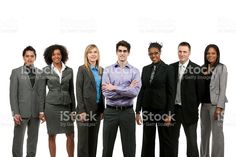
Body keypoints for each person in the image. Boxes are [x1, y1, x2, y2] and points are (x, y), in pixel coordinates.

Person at [102, 40, 141, 157]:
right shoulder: (108, 70)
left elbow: (134, 92)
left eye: (125, 51)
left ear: (128, 53)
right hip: (110, 112)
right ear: (116, 52)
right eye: (120, 51)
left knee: (129, 149)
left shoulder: (135, 71)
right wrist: (127, 89)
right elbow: (106, 93)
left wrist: (114, 88)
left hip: (128, 112)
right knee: (107, 148)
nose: (122, 53)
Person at [135, 42, 175, 157]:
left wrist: (169, 113)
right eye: (150, 54)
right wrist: (137, 111)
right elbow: (142, 90)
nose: (153, 56)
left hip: (162, 110)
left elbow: (171, 93)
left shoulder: (168, 69)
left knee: (165, 140)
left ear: (160, 53)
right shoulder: (145, 69)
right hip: (147, 109)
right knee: (147, 141)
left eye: (156, 53)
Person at [40, 44, 75, 157]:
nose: (56, 56)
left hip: (66, 106)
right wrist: (41, 111)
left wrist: (73, 109)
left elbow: (71, 91)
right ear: (50, 56)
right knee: (51, 134)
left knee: (70, 134)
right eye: (54, 54)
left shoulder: (69, 70)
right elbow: (41, 93)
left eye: (58, 54)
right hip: (51, 107)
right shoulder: (45, 70)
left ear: (62, 55)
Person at [10, 46, 43, 157]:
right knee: (18, 140)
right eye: (27, 56)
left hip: (36, 112)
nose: (29, 58)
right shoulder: (16, 72)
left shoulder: (40, 72)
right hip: (21, 112)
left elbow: (42, 93)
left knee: (33, 141)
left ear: (35, 57)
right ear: (23, 57)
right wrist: (15, 112)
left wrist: (42, 111)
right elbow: (13, 94)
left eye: (32, 56)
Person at [170, 42, 200, 157]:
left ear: (189, 53)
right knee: (172, 142)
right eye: (180, 51)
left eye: (184, 52)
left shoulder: (196, 69)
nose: (181, 54)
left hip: (190, 111)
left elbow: (199, 93)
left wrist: (191, 105)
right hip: (174, 111)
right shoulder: (171, 68)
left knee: (192, 143)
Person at [76, 44, 105, 157]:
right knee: (83, 143)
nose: (93, 54)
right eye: (90, 52)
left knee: (93, 142)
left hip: (97, 110)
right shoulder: (82, 69)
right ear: (86, 55)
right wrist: (82, 110)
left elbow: (102, 91)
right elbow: (78, 90)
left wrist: (102, 109)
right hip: (85, 110)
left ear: (98, 55)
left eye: (95, 52)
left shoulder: (101, 70)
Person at [200, 44, 228, 157]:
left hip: (216, 105)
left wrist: (219, 107)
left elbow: (223, 89)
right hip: (204, 106)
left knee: (217, 134)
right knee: (204, 134)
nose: (210, 55)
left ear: (217, 55)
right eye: (208, 53)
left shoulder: (222, 68)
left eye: (213, 53)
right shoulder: (202, 68)